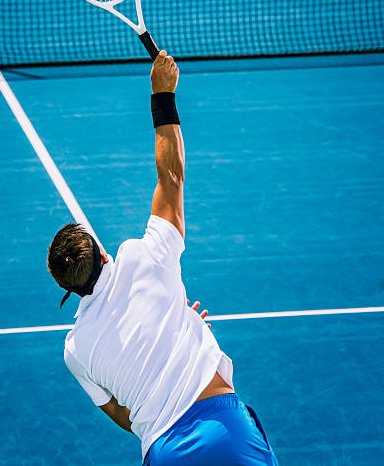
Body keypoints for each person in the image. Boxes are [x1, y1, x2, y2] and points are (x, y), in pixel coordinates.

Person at [47, 51, 279, 465]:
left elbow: (122, 414)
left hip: (164, 449)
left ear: (67, 288)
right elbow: (171, 177)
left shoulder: (75, 350)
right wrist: (162, 94)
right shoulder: (140, 257)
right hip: (223, 429)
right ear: (102, 252)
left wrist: (174, 326)